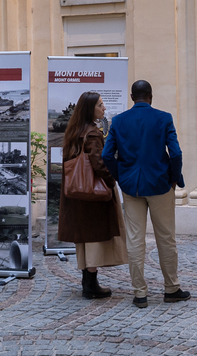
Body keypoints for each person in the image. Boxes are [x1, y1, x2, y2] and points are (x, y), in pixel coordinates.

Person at [102, 80, 189, 308]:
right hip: (160, 184)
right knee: (166, 239)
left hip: (132, 187)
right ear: (151, 96)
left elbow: (107, 155)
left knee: (134, 240)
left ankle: (140, 293)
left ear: (132, 97)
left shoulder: (119, 121)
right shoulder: (164, 118)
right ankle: (171, 288)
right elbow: (176, 153)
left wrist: (121, 176)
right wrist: (174, 178)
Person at [57, 91, 126, 299]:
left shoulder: (73, 132)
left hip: (77, 195)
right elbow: (98, 164)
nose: (104, 108)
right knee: (95, 238)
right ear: (90, 109)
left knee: (84, 240)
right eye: (100, 105)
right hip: (94, 196)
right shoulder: (93, 134)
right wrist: (112, 180)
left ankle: (87, 282)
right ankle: (91, 285)